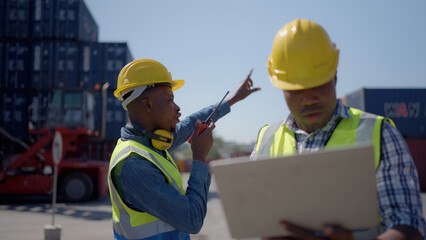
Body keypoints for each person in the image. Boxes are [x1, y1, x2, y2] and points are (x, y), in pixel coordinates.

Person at [252, 19, 425, 240]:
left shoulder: (380, 134)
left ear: (334, 75)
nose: (308, 99)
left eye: (317, 84)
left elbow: (408, 225)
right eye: (296, 90)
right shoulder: (265, 141)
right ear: (282, 88)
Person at [108, 58, 260, 240]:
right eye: (170, 100)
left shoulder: (151, 143)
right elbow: (192, 220)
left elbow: (191, 123)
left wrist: (233, 99)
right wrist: (199, 158)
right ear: (147, 105)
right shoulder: (133, 165)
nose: (178, 108)